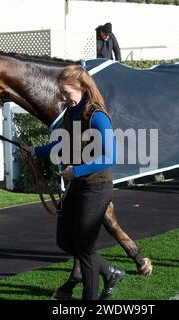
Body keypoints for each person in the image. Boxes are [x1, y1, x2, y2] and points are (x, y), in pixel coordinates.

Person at [27, 64, 124, 300]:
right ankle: (109, 273)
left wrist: (76, 171)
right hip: (77, 186)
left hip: (97, 187)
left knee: (85, 247)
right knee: (65, 240)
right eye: (62, 93)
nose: (64, 97)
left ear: (81, 87)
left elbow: (110, 157)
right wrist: (35, 151)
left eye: (67, 92)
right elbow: (63, 143)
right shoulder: (71, 113)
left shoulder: (97, 116)